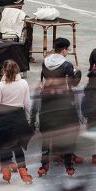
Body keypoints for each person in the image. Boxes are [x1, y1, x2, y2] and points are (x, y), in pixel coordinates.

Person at [33, 43, 83, 176]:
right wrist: (78, 72)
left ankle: (44, 165)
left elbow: (43, 79)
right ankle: (68, 165)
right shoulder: (67, 65)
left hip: (47, 101)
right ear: (64, 50)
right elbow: (74, 82)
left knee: (46, 135)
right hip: (63, 103)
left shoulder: (45, 62)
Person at [0, 59, 33, 184]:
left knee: (4, 146)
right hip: (18, 118)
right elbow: (27, 104)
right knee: (17, 147)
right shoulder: (24, 83)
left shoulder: (0, 86)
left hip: (3, 119)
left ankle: (6, 172)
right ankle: (24, 172)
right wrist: (28, 120)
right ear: (17, 70)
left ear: (3, 71)